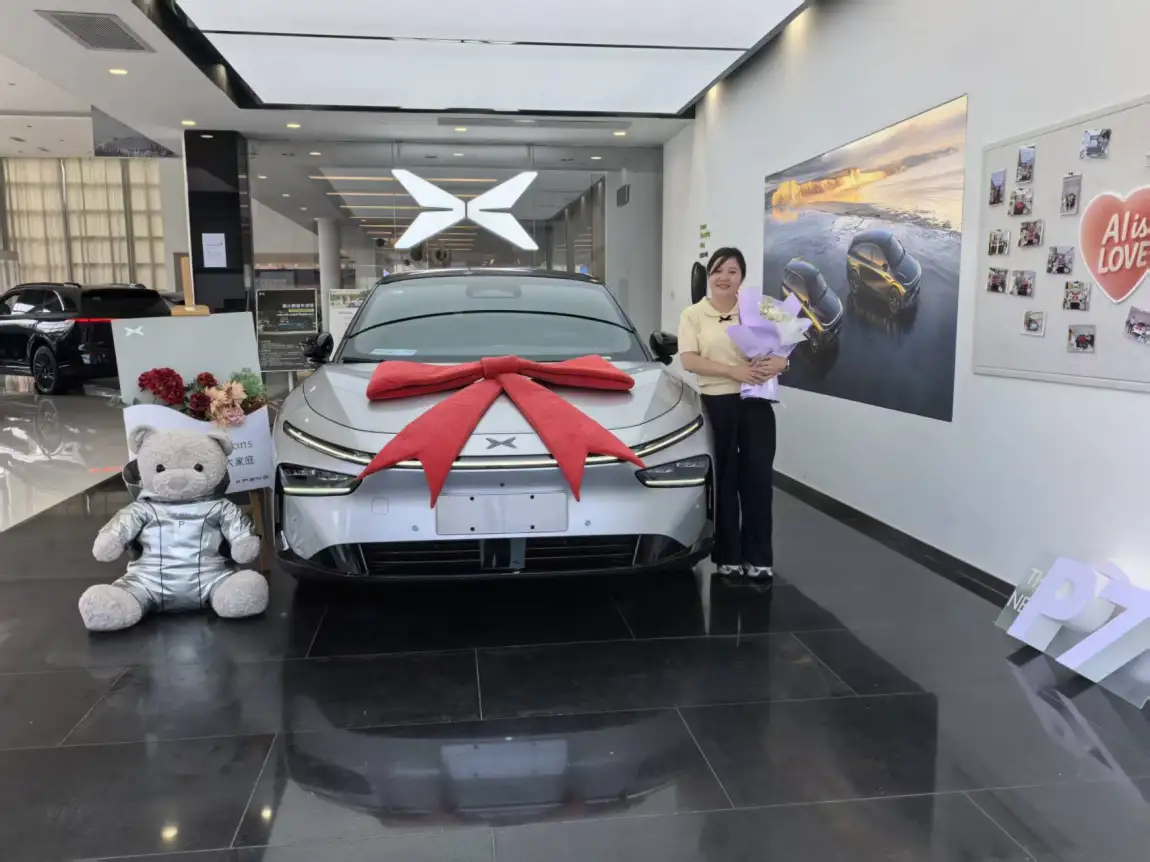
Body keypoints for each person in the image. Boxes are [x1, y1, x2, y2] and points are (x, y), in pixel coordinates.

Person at [678, 247, 787, 580]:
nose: (724, 277)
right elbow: (689, 360)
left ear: (742, 277)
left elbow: (791, 337)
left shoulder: (760, 308)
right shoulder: (693, 314)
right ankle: (728, 555)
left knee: (758, 479)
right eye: (717, 270)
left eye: (732, 271)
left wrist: (783, 361)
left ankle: (759, 557)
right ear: (708, 276)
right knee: (724, 480)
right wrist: (732, 371)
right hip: (717, 404)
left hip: (756, 402)